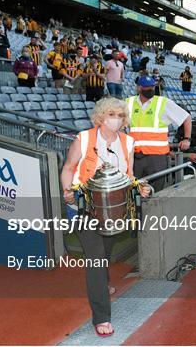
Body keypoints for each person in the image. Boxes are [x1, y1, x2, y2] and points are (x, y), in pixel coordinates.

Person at [61, 97, 151, 337]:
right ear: (100, 117)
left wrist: (140, 187)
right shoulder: (84, 138)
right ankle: (101, 316)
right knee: (97, 259)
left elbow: (129, 175)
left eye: (121, 115)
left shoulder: (128, 142)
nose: (117, 119)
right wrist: (67, 191)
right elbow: (69, 168)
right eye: (112, 114)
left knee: (106, 252)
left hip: (115, 210)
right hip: (85, 208)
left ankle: (102, 282)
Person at [126, 75, 192, 191]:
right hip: (135, 157)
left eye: (152, 87)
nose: (150, 89)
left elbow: (186, 117)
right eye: (146, 87)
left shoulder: (163, 103)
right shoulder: (129, 103)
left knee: (156, 192)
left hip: (157, 157)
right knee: (135, 191)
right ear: (139, 88)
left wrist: (187, 138)